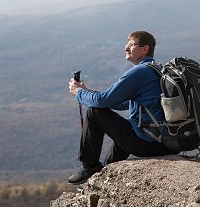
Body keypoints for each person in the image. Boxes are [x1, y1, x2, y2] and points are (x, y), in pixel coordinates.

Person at [68, 30, 178, 185]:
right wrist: (89, 92)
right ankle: (105, 174)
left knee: (94, 112)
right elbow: (122, 103)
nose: (126, 48)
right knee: (127, 126)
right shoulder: (157, 70)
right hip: (167, 143)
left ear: (145, 49)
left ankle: (89, 165)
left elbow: (102, 102)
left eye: (131, 45)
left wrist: (78, 93)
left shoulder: (139, 72)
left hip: (150, 145)